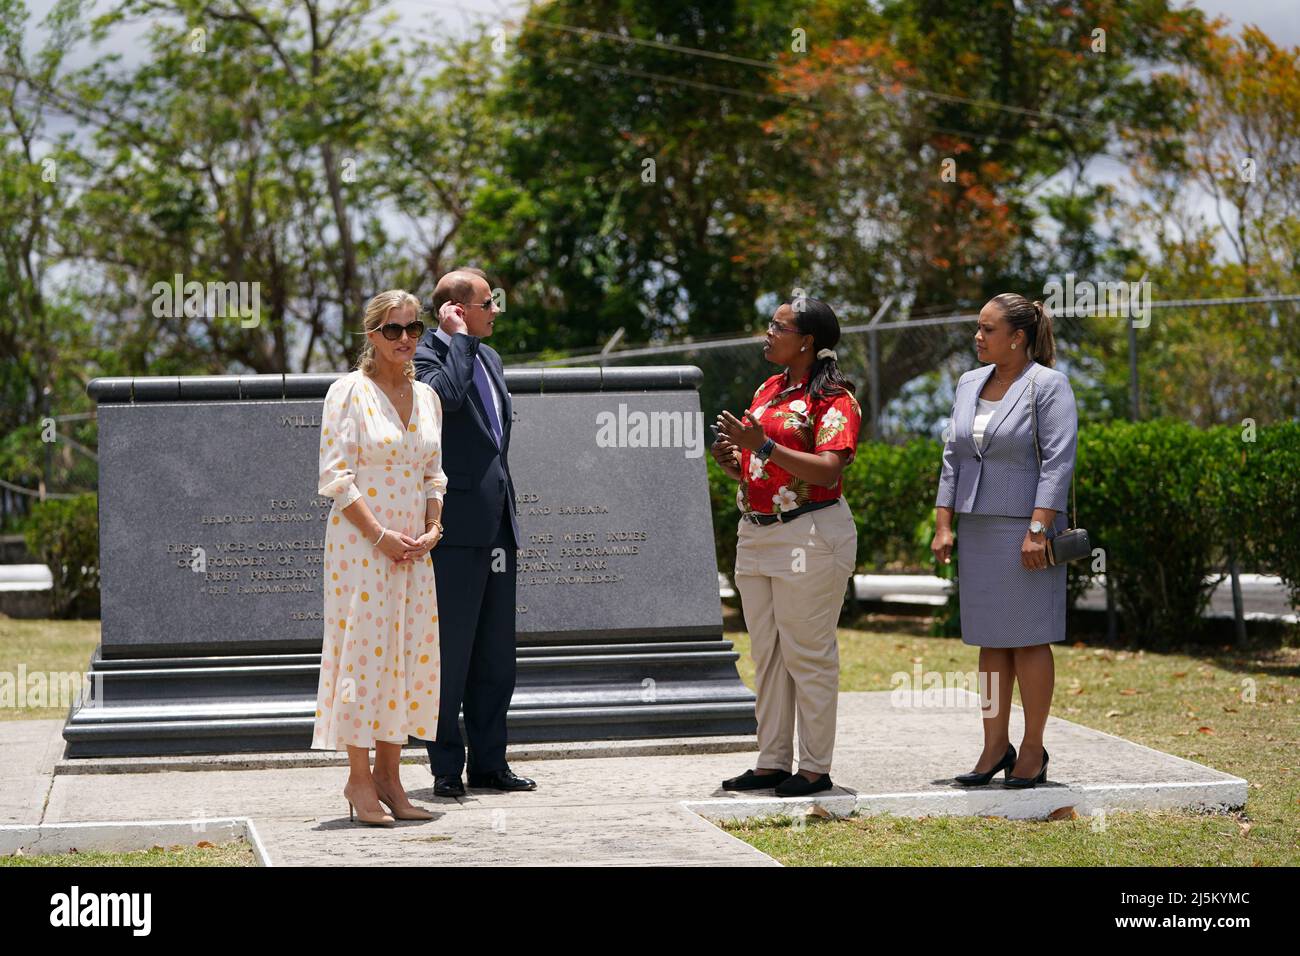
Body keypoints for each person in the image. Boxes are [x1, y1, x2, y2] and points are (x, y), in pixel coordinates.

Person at [714, 297, 861, 798]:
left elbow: (828, 468)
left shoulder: (835, 398)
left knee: (808, 654)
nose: (767, 333)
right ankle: (773, 761)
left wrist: (764, 447)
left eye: (778, 327)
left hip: (810, 534)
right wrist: (735, 460)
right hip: (756, 531)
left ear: (807, 341)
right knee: (768, 653)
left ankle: (815, 768)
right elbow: (760, 463)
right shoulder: (769, 388)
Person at [931, 292, 1077, 789]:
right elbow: (953, 457)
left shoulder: (1048, 386)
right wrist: (943, 522)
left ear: (1017, 337)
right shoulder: (969, 382)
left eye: (988, 329)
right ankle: (995, 746)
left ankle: (1032, 750)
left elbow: (1058, 461)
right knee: (990, 643)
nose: (977, 337)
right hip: (976, 528)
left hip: (1025, 531)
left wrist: (1037, 529)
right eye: (977, 327)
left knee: (1030, 639)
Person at [312, 289, 446, 826]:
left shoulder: (430, 398)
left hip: (415, 549)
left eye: (415, 328)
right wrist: (379, 536)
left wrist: (434, 526)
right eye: (394, 330)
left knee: (407, 655)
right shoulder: (347, 392)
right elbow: (336, 478)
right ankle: (359, 780)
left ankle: (393, 779)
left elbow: (434, 473)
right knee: (362, 655)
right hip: (361, 548)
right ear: (372, 334)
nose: (406, 339)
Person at [411, 267, 536, 797]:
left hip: (497, 528)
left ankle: (490, 763)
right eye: (487, 303)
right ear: (457, 310)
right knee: (450, 654)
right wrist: (456, 340)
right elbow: (447, 403)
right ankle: (445, 769)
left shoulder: (491, 358)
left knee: (494, 655)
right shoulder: (425, 358)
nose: (495, 311)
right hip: (453, 531)